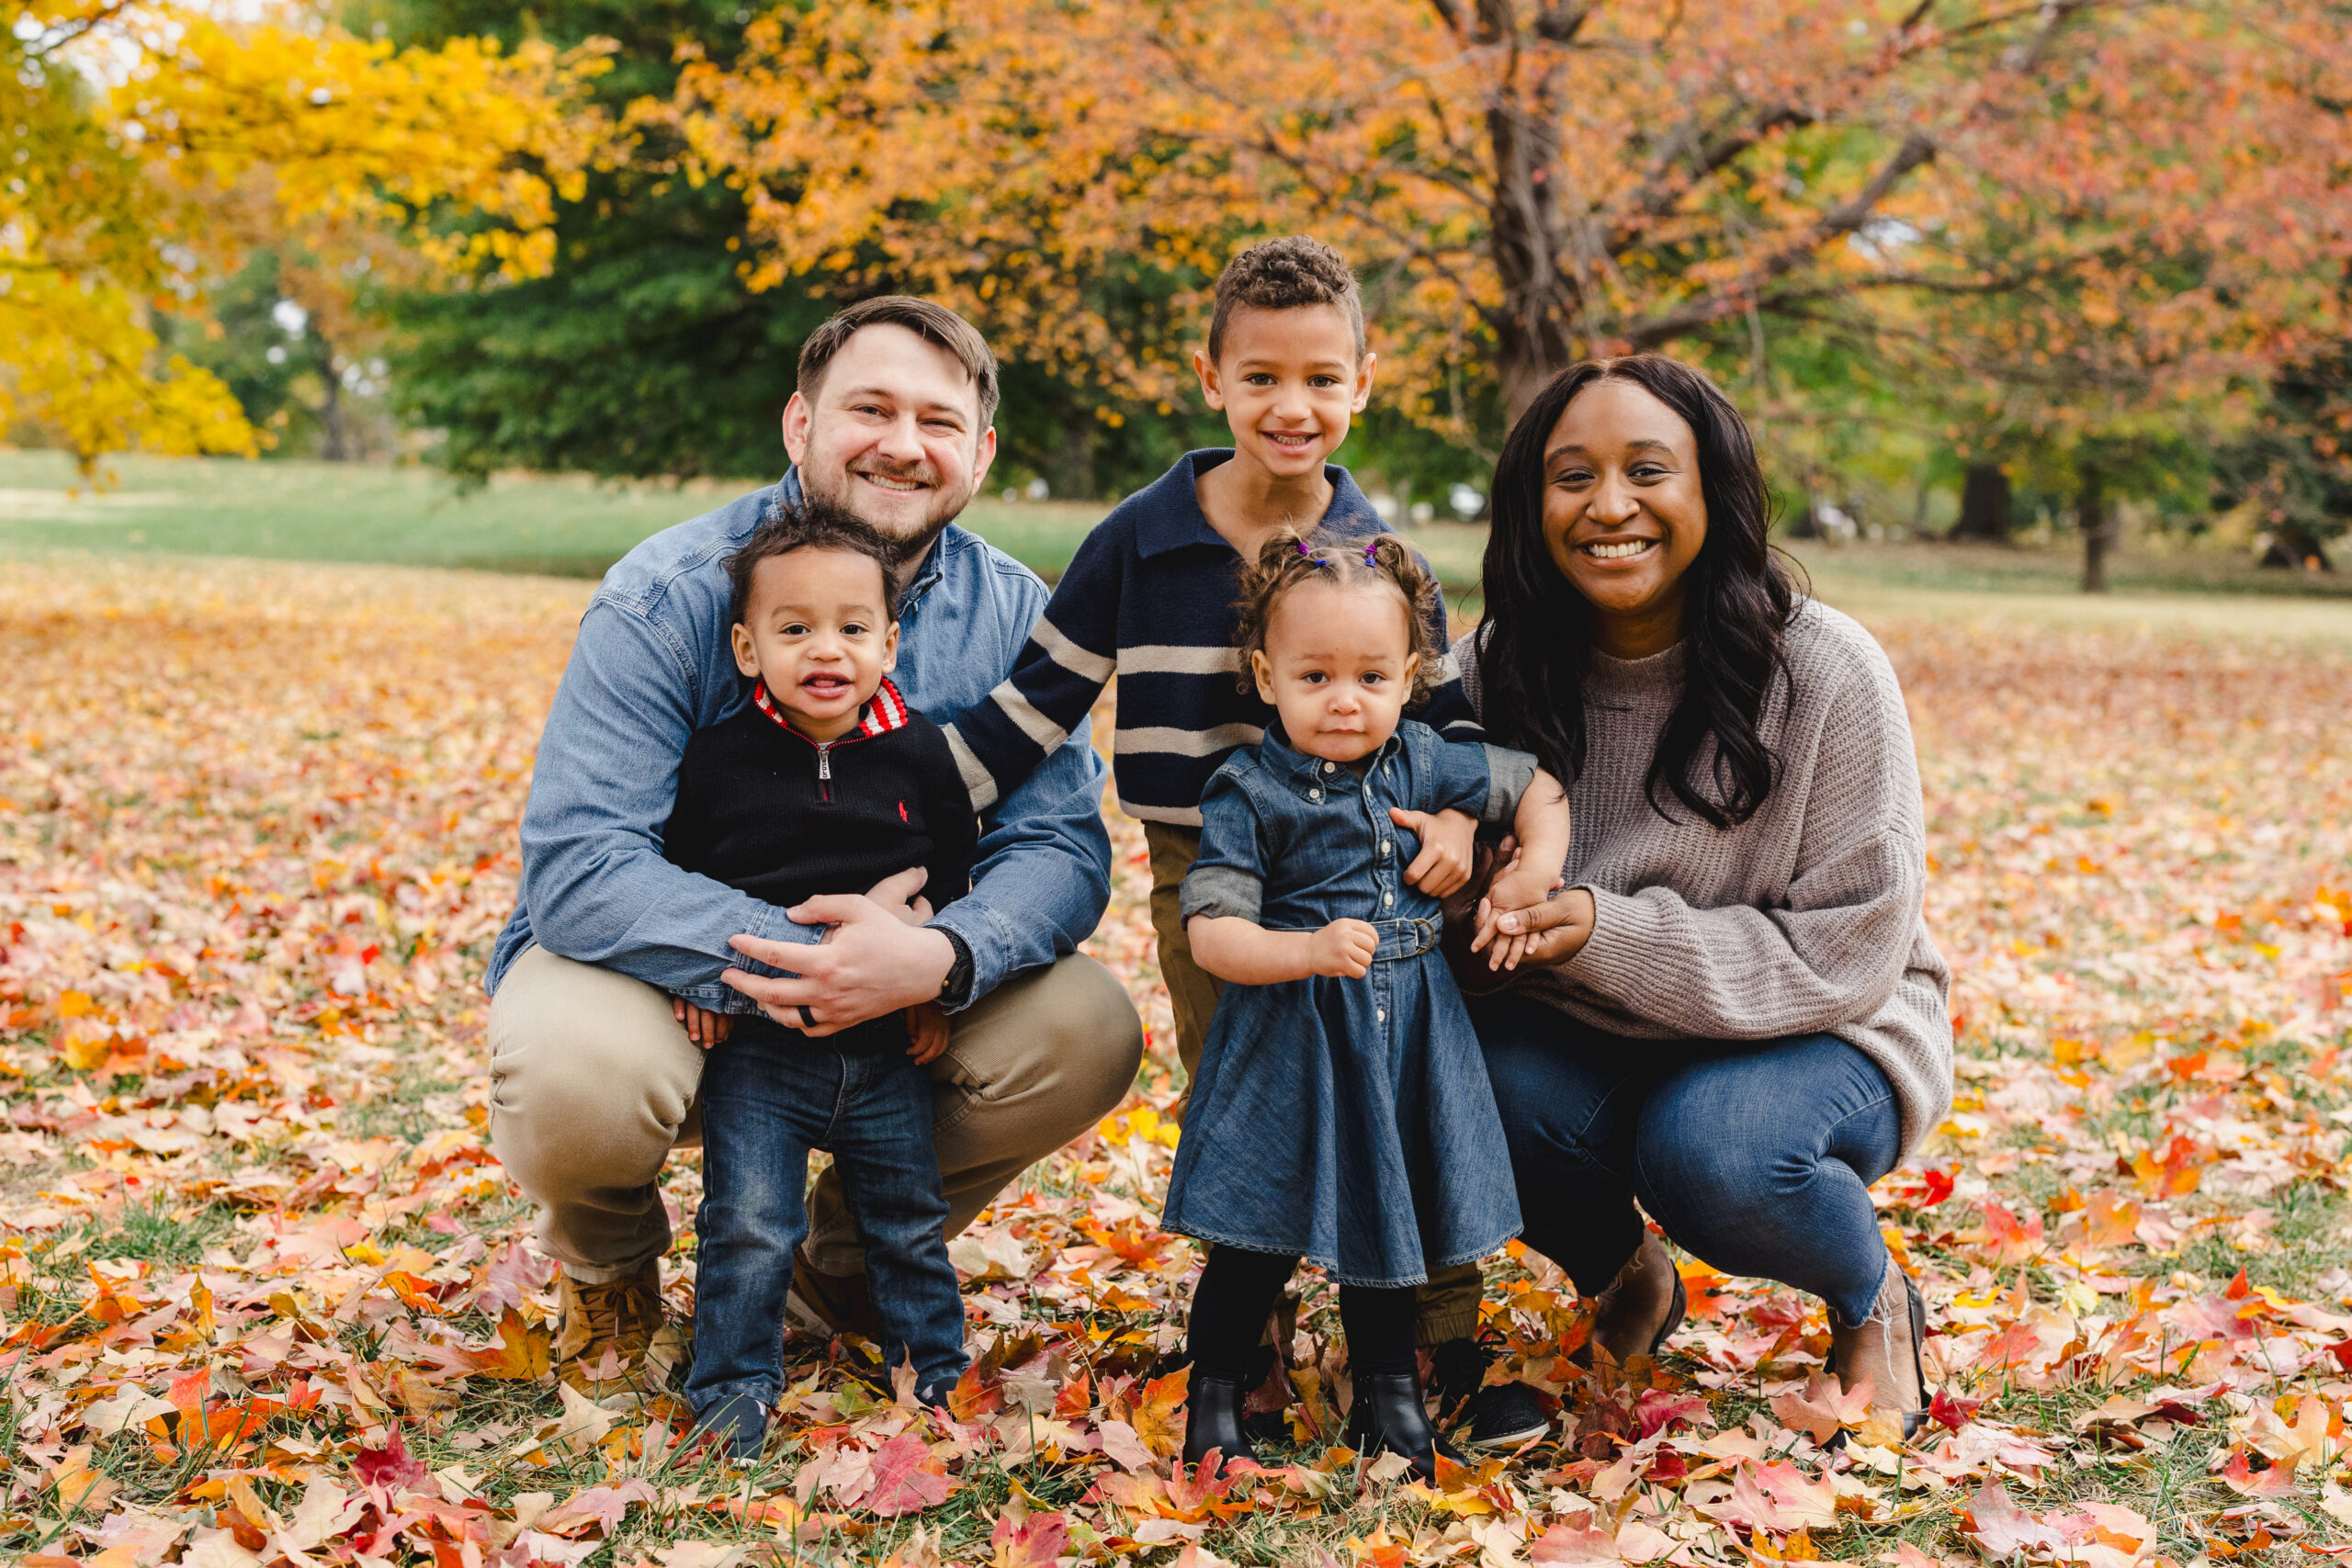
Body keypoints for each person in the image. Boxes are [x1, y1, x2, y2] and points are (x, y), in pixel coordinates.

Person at [942, 238, 1552, 1444]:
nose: (1294, 405)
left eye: (1323, 378)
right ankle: (1246, 1354)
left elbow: (1445, 722)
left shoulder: (1384, 558)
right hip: (1210, 874)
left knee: (1404, 1102)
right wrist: (894, 816)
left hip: (1378, 878)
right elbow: (1034, 704)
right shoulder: (1140, 538)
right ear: (1212, 377)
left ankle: (1435, 1357)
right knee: (1252, 1101)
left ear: (1364, 382)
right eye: (1263, 375)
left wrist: (1456, 821)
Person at [484, 297, 1145, 1399]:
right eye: (869, 409)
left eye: (937, 421)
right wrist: (789, 958)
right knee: (572, 1067)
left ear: (979, 454)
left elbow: (1061, 853)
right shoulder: (669, 596)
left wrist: (933, 960)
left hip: (908, 995)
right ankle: (610, 1269)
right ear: (800, 425)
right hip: (681, 974)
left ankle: (840, 1264)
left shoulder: (1016, 616)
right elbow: (583, 864)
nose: (901, 442)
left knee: (1087, 1027)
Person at [1444, 355, 1953, 1436]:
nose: (1609, 506)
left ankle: (1873, 1301)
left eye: (1647, 471)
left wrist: (1601, 930)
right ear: (1531, 506)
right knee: (1447, 1077)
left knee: (1712, 1152)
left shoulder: (1823, 672)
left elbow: (1854, 943)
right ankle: (1627, 1276)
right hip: (1591, 1033)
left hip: (1824, 1026)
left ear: (1711, 492)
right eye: (1571, 476)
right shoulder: (1490, 672)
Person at [1166, 531, 1572, 1480]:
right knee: (1252, 1239)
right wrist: (1301, 949)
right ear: (1266, 677)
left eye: (1371, 677)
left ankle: (1390, 1404)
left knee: (1388, 1226)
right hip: (1292, 1038)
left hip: (1408, 1034)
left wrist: (1533, 873)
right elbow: (1211, 931)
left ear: (1409, 679)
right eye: (1314, 677)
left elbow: (1540, 789)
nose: (1344, 700)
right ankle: (1214, 1395)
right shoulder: (1247, 790)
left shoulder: (1425, 763)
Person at [663, 501, 976, 1458]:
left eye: (850, 629)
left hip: (885, 1048)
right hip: (760, 1052)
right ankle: (731, 1385)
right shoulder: (719, 758)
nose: (824, 650)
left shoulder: (921, 753)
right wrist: (695, 978)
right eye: (793, 630)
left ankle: (933, 1372)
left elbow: (956, 874)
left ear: (889, 639)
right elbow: (676, 882)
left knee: (909, 1221)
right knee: (749, 1221)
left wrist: (930, 988)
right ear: (748, 648)